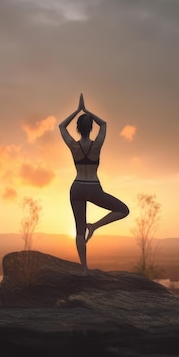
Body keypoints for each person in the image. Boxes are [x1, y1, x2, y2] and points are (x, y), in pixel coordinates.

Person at [59, 93, 129, 271]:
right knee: (123, 210)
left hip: (77, 187)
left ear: (78, 128)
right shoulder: (96, 145)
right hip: (93, 188)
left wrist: (77, 111)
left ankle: (84, 268)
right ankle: (95, 226)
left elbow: (61, 126)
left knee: (79, 231)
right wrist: (87, 111)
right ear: (91, 128)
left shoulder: (74, 146)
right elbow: (104, 124)